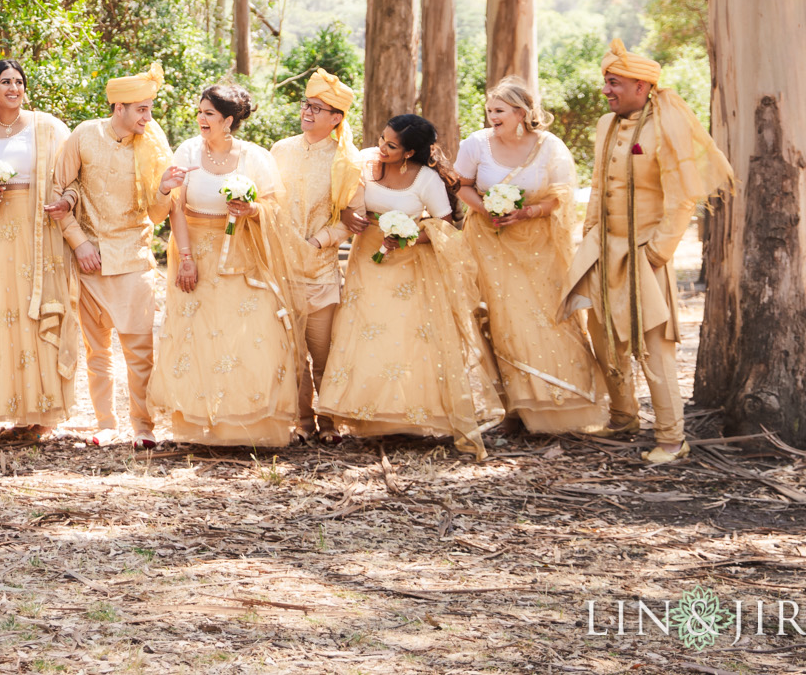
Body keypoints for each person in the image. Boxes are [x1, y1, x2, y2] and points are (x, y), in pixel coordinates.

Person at [562, 40, 735, 465]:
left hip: (644, 252)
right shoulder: (605, 124)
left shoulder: (667, 124)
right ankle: (623, 418)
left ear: (642, 86)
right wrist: (590, 236)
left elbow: (681, 197)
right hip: (603, 249)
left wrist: (656, 254)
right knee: (603, 336)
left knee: (655, 344)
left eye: (614, 82)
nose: (606, 90)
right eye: (605, 82)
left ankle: (672, 439)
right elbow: (600, 184)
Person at [314, 113, 490, 460]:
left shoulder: (426, 180)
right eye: (381, 138)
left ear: (409, 153)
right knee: (363, 330)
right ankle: (365, 413)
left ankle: (407, 413)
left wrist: (411, 238)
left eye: (391, 145)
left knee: (406, 336)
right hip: (367, 262)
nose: (381, 147)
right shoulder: (365, 163)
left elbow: (443, 226)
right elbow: (345, 203)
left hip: (410, 268)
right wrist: (349, 216)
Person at [149, 84, 304, 447]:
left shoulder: (254, 157)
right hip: (193, 253)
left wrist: (252, 210)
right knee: (196, 335)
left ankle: (244, 427)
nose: (201, 119)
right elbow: (176, 208)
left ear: (229, 121)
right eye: (200, 112)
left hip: (243, 254)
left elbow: (276, 207)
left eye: (209, 114)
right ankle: (198, 424)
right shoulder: (187, 150)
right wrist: (186, 260)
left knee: (251, 332)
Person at [453, 76, 607, 436]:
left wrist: (526, 213)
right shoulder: (476, 144)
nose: (492, 116)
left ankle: (564, 404)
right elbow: (460, 184)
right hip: (488, 244)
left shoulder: (550, 147)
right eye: (490, 109)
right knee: (501, 320)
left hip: (539, 246)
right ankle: (512, 410)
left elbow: (561, 196)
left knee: (547, 316)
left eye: (500, 110)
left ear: (521, 112)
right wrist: (487, 210)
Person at [45, 62, 183, 448]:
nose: (147, 117)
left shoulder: (153, 143)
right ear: (118, 108)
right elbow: (60, 186)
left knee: (140, 351)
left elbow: (158, 214)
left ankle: (143, 427)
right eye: (141, 109)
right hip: (90, 259)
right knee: (97, 350)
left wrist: (165, 189)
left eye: (150, 109)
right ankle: (106, 424)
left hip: (134, 258)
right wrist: (78, 242)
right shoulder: (85, 135)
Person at [0, 59, 76, 438]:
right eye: (5, 82)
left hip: (37, 231)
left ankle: (43, 413)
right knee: (0, 312)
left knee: (35, 310)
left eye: (18, 81)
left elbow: (74, 176)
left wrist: (68, 202)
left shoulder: (48, 128)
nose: (13, 88)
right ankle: (12, 408)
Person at [268, 68, 364, 436]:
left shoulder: (347, 161)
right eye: (306, 105)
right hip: (280, 266)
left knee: (323, 355)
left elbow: (352, 219)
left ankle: (330, 422)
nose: (307, 112)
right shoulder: (281, 149)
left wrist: (318, 241)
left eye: (317, 108)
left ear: (336, 118)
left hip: (320, 271)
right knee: (291, 356)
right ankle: (303, 421)